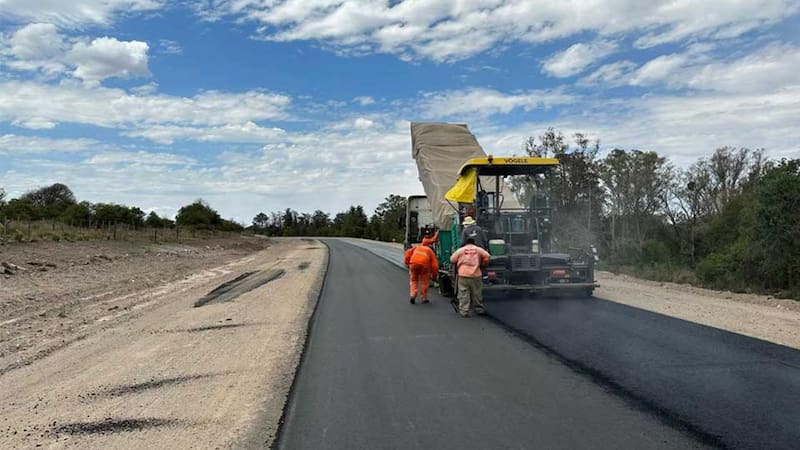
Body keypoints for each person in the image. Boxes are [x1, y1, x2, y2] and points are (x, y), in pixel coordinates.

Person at [449, 237, 490, 317]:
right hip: (476, 275)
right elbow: (487, 256)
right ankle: (479, 309)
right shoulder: (478, 249)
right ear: (473, 243)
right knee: (477, 293)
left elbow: (452, 259)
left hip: (463, 275)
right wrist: (483, 263)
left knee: (463, 293)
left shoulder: (461, 250)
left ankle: (464, 311)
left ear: (466, 243)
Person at [403, 236, 439, 305]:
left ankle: (413, 295)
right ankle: (424, 298)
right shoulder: (430, 251)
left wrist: (407, 263)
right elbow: (435, 266)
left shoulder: (417, 247)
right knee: (424, 282)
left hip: (413, 264)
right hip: (424, 266)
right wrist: (434, 276)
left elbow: (407, 253)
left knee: (414, 280)